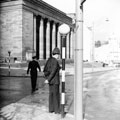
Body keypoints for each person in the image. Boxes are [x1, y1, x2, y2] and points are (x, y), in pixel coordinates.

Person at [43, 47, 61, 114]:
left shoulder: (49, 60)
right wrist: (48, 79)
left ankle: (51, 109)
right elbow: (53, 71)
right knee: (56, 95)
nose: (59, 56)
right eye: (58, 54)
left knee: (51, 95)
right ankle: (57, 110)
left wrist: (47, 78)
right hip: (55, 81)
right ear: (56, 54)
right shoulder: (55, 61)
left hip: (50, 82)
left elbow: (45, 70)